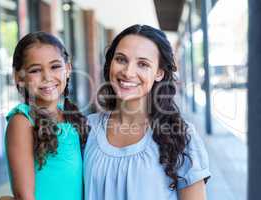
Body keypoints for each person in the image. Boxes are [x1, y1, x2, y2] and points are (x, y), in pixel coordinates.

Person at [84, 24, 211, 200]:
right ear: (110, 63)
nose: (128, 72)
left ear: (159, 73)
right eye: (121, 59)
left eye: (142, 64)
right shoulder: (87, 128)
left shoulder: (181, 136)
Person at [5, 32, 88, 200]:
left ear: (68, 69)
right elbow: (24, 196)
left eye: (55, 66)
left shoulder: (71, 117)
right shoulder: (22, 121)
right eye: (35, 70)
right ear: (19, 77)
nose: (47, 77)